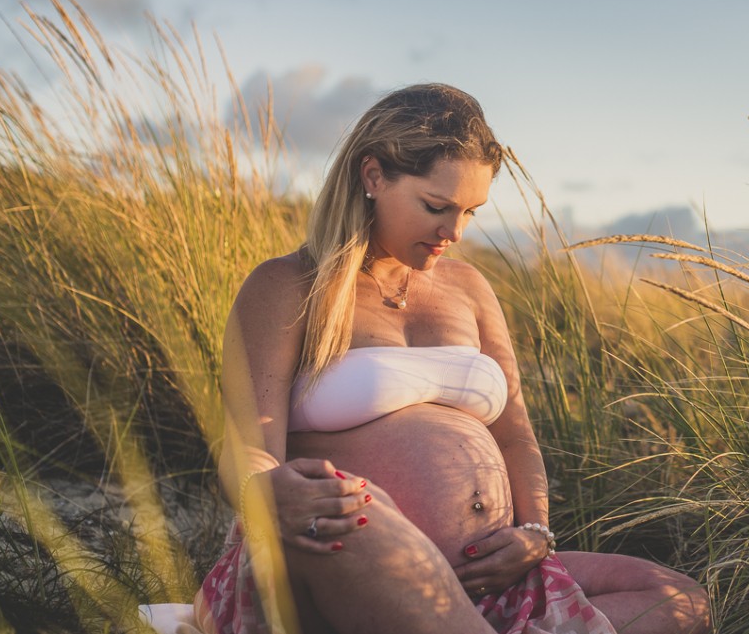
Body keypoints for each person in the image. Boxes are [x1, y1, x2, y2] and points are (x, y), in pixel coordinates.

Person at [193, 83, 712, 634]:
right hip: (351, 553)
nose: (455, 232)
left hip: (483, 578)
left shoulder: (469, 287)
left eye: (470, 211)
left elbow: (516, 437)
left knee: (680, 599)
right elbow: (248, 447)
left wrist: (535, 536)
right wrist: (265, 492)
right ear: (373, 176)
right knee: (355, 512)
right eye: (436, 206)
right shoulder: (287, 286)